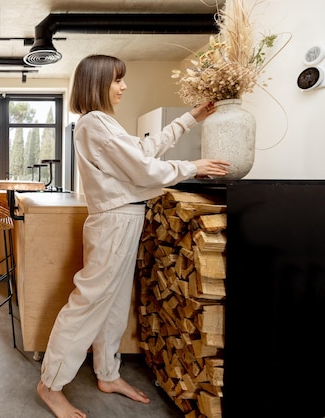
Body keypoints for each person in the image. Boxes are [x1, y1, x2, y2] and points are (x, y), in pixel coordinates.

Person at [36, 54, 230, 418]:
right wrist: (193, 166)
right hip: (113, 223)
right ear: (96, 84)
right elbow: (143, 169)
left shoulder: (103, 124)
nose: (123, 86)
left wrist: (191, 119)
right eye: (116, 80)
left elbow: (142, 151)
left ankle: (107, 374)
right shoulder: (94, 123)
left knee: (110, 306)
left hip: (122, 221)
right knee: (88, 304)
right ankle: (50, 385)